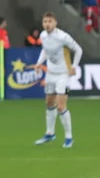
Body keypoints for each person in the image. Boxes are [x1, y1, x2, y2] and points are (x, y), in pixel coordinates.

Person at [34, 12, 82, 149]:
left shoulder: (63, 37)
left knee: (61, 106)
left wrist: (74, 67)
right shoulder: (43, 36)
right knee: (49, 103)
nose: (47, 24)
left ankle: (69, 137)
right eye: (45, 21)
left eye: (50, 21)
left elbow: (78, 50)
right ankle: (50, 134)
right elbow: (45, 50)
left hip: (63, 75)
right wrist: (38, 63)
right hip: (50, 74)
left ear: (55, 23)